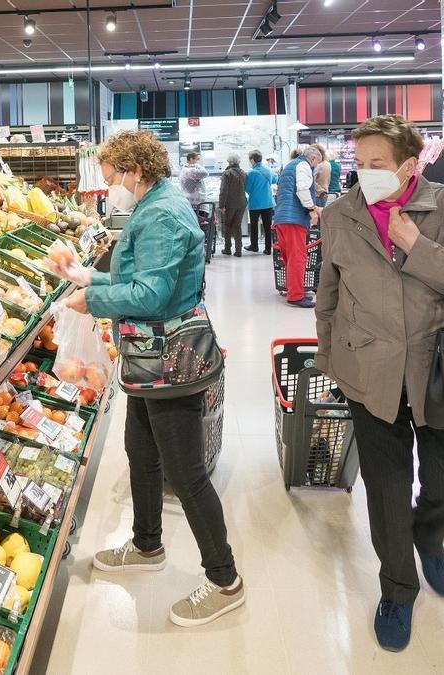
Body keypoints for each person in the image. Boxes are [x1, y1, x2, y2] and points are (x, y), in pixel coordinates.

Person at [314, 115, 444, 652]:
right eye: (359, 163)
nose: (364, 173)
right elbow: (328, 295)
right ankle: (398, 587)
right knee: (386, 490)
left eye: (376, 164)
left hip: (441, 372)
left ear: (408, 165)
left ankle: (431, 533)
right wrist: (333, 359)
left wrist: (419, 246)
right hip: (367, 373)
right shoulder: (340, 214)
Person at [48, 130, 244, 628]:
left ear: (135, 170)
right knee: (141, 451)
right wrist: (89, 278)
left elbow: (153, 294)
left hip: (169, 360)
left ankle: (225, 581)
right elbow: (144, 277)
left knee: (186, 474)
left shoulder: (158, 212)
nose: (110, 185)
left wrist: (91, 301)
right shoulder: (158, 200)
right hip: (147, 358)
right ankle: (147, 543)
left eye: (113, 176)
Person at [273, 146, 324, 308]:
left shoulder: (289, 166)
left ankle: (294, 290)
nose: (316, 167)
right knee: (298, 257)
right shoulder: (303, 166)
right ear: (314, 159)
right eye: (317, 163)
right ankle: (295, 295)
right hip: (293, 219)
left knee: (289, 257)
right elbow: (302, 190)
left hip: (281, 217)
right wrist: (311, 210)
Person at [245, 150, 276, 253]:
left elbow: (247, 188)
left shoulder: (251, 173)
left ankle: (254, 246)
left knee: (254, 226)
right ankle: (268, 248)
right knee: (267, 227)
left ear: (252, 160)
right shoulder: (268, 170)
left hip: (255, 203)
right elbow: (275, 180)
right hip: (267, 202)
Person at [218, 153, 248, 256]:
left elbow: (223, 191)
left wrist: (221, 205)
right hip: (242, 203)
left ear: (229, 162)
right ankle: (238, 250)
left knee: (228, 226)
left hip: (230, 204)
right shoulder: (243, 173)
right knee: (237, 226)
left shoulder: (227, 173)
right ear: (238, 162)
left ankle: (227, 249)